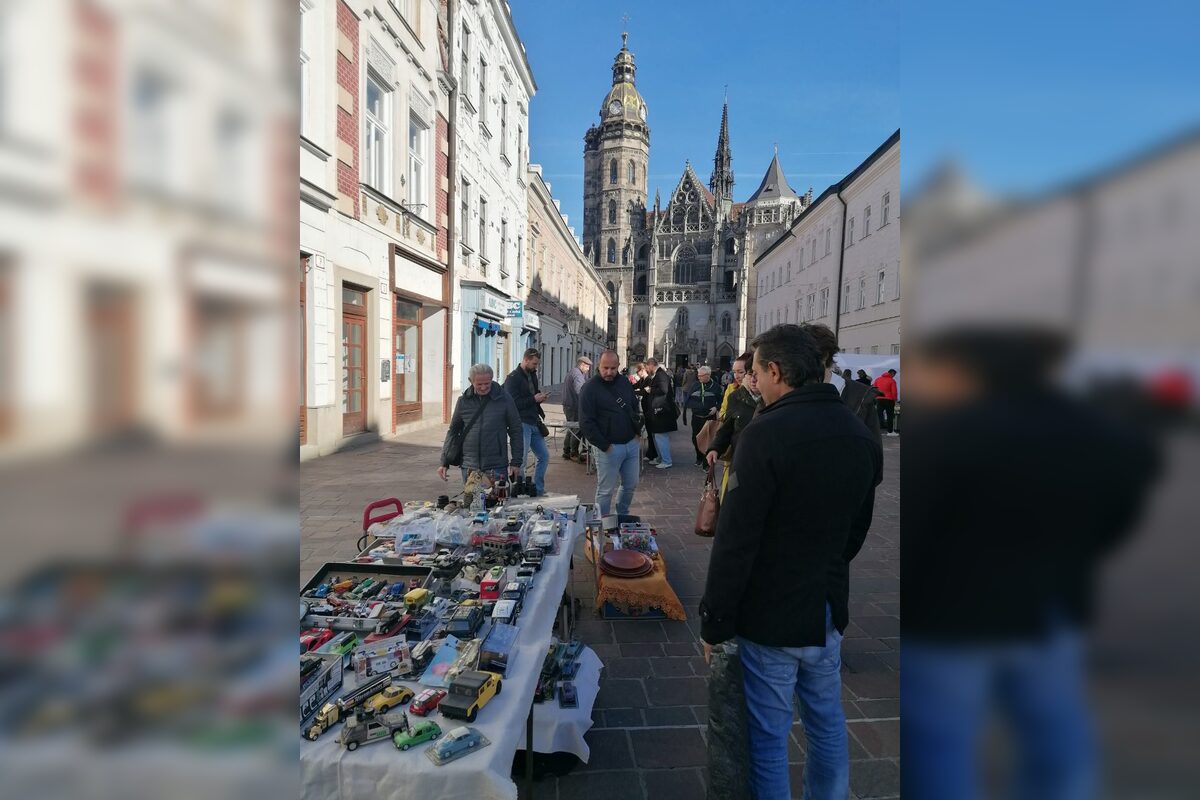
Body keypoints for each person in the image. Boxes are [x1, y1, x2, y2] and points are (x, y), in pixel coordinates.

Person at [900, 327, 1159, 800]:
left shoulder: (945, 433)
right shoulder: (1098, 429)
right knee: (1057, 746)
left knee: (942, 751)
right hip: (1052, 605)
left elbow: (916, 529)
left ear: (968, 372)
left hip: (951, 617)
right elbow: (1121, 511)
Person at [699, 324, 882, 800]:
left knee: (769, 736)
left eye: (756, 372)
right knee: (826, 723)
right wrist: (827, 564)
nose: (752, 381)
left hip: (771, 614)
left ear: (775, 371)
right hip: (826, 604)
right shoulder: (857, 430)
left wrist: (715, 621)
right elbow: (859, 524)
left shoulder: (765, 434)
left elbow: (736, 542)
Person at [578, 350, 643, 516]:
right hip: (608, 448)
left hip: (631, 444)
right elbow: (586, 422)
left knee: (630, 485)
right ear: (598, 366)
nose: (609, 372)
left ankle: (622, 516)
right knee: (606, 490)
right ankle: (603, 524)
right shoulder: (589, 388)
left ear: (618, 367)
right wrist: (604, 445)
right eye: (605, 367)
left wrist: (637, 433)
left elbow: (634, 407)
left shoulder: (624, 382)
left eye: (613, 368)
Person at [438, 363, 523, 491]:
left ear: (492, 379)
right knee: (472, 505)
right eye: (479, 384)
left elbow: (516, 430)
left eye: (487, 383)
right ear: (470, 381)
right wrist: (444, 462)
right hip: (469, 466)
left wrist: (516, 462)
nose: (483, 388)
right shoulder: (463, 401)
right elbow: (453, 431)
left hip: (496, 465)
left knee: (497, 505)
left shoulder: (505, 399)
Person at [800, 323, 882, 444]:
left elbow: (874, 449)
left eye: (803, 355)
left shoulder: (860, 396)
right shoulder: (791, 389)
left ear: (824, 356)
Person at [705, 352, 760, 500]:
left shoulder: (771, 397)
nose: (753, 379)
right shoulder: (736, 396)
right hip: (738, 459)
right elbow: (726, 428)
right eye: (749, 374)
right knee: (733, 499)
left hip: (761, 462)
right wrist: (715, 448)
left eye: (757, 374)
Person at [503, 348, 550, 496]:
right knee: (520, 460)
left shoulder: (532, 375)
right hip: (521, 423)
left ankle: (538, 489)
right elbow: (512, 403)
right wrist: (534, 399)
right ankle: (519, 490)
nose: (536, 366)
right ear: (526, 360)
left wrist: (539, 398)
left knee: (544, 456)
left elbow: (532, 395)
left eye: (537, 364)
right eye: (534, 363)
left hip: (534, 421)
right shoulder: (513, 378)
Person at [643, 357, 676, 469]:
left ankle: (666, 460)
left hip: (662, 411)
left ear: (651, 365)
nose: (647, 369)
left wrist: (650, 390)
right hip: (658, 411)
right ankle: (661, 458)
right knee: (657, 435)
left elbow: (663, 390)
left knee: (661, 436)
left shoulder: (661, 375)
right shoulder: (659, 374)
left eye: (647, 367)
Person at [686, 366, 721, 466]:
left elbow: (722, 400)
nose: (699, 377)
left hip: (709, 418)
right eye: (698, 375)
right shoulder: (695, 385)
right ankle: (699, 457)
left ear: (708, 375)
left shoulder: (716, 387)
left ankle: (706, 463)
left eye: (701, 376)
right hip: (696, 417)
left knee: (708, 440)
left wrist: (716, 408)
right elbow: (689, 398)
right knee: (695, 438)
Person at [561, 355, 591, 462]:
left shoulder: (574, 372)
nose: (588, 369)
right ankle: (573, 453)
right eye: (587, 367)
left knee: (571, 428)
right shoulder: (577, 375)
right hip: (573, 406)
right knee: (577, 429)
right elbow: (580, 391)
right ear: (582, 365)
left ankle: (566, 451)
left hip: (568, 405)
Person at [873, 368, 899, 436]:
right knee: (890, 416)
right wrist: (895, 400)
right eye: (894, 374)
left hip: (879, 399)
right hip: (889, 400)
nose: (894, 376)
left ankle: (878, 431)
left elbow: (874, 389)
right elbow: (894, 392)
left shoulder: (878, 379)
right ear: (892, 373)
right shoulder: (892, 381)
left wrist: (875, 397)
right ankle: (890, 432)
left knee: (879, 415)